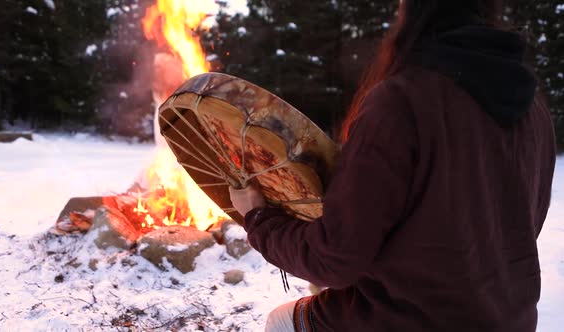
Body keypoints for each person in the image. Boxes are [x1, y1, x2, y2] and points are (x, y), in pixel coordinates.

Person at [229, 0, 557, 331]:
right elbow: (516, 231)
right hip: (510, 319)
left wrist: (259, 218)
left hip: (409, 319)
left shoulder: (401, 102)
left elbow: (334, 259)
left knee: (281, 322)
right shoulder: (534, 109)